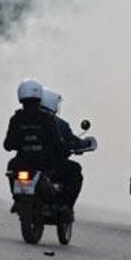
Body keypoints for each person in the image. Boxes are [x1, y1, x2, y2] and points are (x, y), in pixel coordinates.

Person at [39, 88, 91, 219]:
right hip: (50, 165)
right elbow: (70, 141)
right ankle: (64, 206)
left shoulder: (24, 117)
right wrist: (83, 144)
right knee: (75, 170)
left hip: (27, 163)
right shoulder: (58, 124)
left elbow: (9, 143)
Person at [3, 79, 66, 174]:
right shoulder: (47, 118)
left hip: (22, 164)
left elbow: (8, 145)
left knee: (11, 167)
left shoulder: (16, 119)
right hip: (45, 164)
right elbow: (57, 143)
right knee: (74, 168)